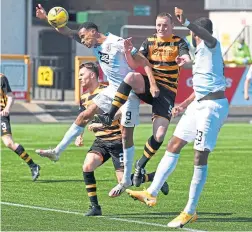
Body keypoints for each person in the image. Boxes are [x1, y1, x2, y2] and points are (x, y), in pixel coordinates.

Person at [35, 3, 160, 195]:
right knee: (86, 113)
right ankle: (58, 151)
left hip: (129, 94)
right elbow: (66, 31)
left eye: (84, 37)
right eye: (82, 38)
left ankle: (126, 179)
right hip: (111, 90)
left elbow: (143, 61)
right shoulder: (93, 44)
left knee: (126, 135)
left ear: (93, 32)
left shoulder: (117, 42)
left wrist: (152, 84)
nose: (82, 41)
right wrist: (47, 19)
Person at [126, 7, 229, 229]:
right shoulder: (199, 52)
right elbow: (203, 84)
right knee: (173, 144)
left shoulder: (212, 45)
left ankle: (189, 211)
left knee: (199, 157)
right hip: (199, 104)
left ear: (197, 32)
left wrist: (187, 22)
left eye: (195, 31)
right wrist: (183, 104)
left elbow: (208, 37)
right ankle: (151, 192)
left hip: (212, 108)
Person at [36, 62, 169, 216]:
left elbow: (121, 111)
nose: (79, 79)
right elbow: (83, 119)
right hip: (100, 141)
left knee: (122, 180)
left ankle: (155, 178)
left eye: (81, 75)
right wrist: (79, 135)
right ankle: (95, 207)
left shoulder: (107, 91)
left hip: (117, 140)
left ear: (92, 75)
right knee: (87, 167)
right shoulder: (84, 97)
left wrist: (100, 124)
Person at [94, 12, 190, 191]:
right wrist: (126, 51)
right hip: (149, 85)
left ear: (172, 27)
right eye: (159, 25)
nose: (161, 28)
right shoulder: (149, 41)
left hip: (167, 93)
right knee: (131, 76)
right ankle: (110, 115)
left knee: (160, 135)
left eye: (165, 25)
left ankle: (140, 164)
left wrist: (184, 60)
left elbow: (187, 58)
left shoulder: (179, 42)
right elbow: (135, 64)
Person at [1, 73, 40, 181]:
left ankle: (33, 165)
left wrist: (7, 109)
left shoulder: (2, 78)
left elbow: (10, 96)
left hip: (1, 115)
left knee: (9, 143)